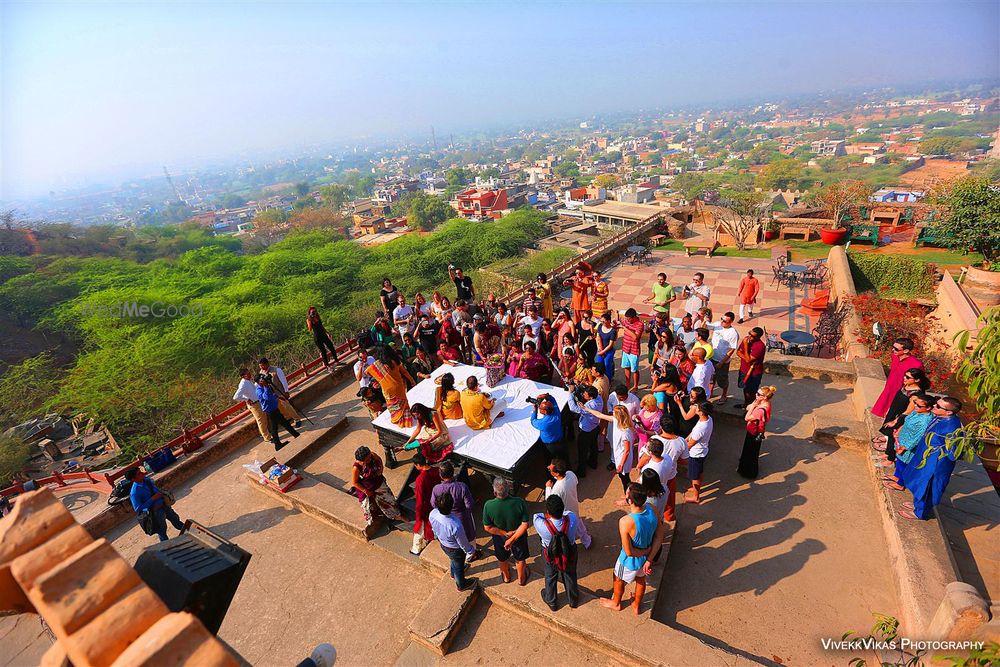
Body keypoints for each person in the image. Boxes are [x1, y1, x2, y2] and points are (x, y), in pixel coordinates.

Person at [602, 483, 664, 614]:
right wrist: (649, 558)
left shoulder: (625, 521)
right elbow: (660, 535)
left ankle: (616, 603)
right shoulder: (652, 508)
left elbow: (629, 552)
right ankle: (636, 605)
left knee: (618, 578)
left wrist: (644, 552)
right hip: (646, 558)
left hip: (629, 561)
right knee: (641, 580)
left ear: (630, 500)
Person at [899, 397, 963, 521]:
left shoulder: (952, 429)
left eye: (938, 407)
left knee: (927, 487)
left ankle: (920, 513)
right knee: (917, 482)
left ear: (949, 412)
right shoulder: (941, 417)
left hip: (934, 464)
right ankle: (917, 505)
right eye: (936, 404)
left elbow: (953, 453)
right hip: (924, 457)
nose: (934, 407)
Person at [875, 368, 931, 466]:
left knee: (894, 436)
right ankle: (887, 453)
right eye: (905, 375)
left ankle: (890, 459)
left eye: (908, 377)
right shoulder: (907, 386)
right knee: (889, 434)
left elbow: (909, 411)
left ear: (917, 380)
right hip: (894, 412)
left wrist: (896, 421)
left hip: (901, 417)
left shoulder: (916, 394)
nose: (905, 378)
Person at [533, 494, 579, 610]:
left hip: (550, 554)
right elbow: (568, 513)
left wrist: (547, 514)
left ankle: (551, 601)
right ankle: (573, 599)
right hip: (569, 551)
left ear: (548, 511)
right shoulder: (572, 518)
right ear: (562, 508)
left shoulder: (541, 524)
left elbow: (536, 515)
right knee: (570, 574)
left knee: (550, 576)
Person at [482, 478, 531, 585]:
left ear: (495, 492)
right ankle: (521, 579)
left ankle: (506, 577)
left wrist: (504, 534)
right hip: (518, 535)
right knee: (520, 558)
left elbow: (487, 527)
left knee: (502, 558)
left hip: (499, 537)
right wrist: (512, 538)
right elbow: (525, 524)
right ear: (508, 489)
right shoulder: (519, 502)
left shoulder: (488, 505)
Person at [881, 394, 934, 492]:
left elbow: (917, 438)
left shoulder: (925, 421)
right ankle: (897, 476)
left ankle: (900, 484)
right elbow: (906, 422)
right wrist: (899, 431)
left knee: (905, 463)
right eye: (915, 403)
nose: (915, 406)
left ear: (928, 408)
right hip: (903, 438)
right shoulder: (916, 412)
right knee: (900, 461)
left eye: (919, 405)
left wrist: (904, 448)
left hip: (909, 446)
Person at [429, 492, 480, 591]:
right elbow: (463, 543)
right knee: (459, 566)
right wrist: (471, 551)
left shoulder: (433, 514)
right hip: (455, 549)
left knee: (453, 560)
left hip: (443, 543)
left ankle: (453, 573)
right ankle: (461, 584)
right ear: (451, 506)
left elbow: (433, 529)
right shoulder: (455, 524)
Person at [582, 404, 637, 492]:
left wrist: (621, 465)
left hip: (623, 459)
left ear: (618, 416)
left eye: (614, 413)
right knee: (623, 478)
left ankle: (629, 496)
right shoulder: (616, 421)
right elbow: (600, 415)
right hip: (619, 456)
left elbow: (626, 451)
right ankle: (629, 495)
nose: (612, 413)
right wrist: (586, 408)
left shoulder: (625, 432)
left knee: (625, 479)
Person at [126, 467, 184, 542]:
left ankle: (194, 534)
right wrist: (153, 499)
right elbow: (137, 508)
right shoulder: (134, 492)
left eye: (140, 471)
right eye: (139, 473)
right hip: (156, 512)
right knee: (162, 532)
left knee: (177, 521)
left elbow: (155, 488)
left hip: (164, 505)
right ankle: (166, 548)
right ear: (133, 479)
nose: (142, 473)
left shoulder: (146, 480)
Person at [646, 417, 687, 521]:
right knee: (670, 497)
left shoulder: (655, 439)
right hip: (670, 474)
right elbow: (685, 461)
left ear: (661, 427)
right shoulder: (681, 441)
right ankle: (669, 515)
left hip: (654, 474)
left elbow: (645, 456)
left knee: (652, 498)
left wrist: (639, 467)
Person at [873, 338, 925, 420]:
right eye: (893, 347)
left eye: (896, 349)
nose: (893, 350)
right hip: (889, 390)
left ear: (906, 350)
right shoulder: (894, 356)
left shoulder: (916, 364)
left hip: (902, 394)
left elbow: (919, 381)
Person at [544, 458, 592, 549]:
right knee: (579, 524)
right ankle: (587, 541)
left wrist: (548, 488)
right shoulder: (571, 474)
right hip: (574, 505)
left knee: (566, 530)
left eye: (550, 469)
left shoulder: (557, 488)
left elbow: (550, 501)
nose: (549, 469)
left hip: (564, 511)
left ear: (557, 473)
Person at [351, 446, 401, 530]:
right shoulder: (356, 468)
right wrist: (366, 491)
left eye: (369, 458)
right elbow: (354, 482)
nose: (369, 460)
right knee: (370, 507)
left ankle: (395, 515)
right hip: (367, 488)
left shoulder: (372, 455)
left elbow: (379, 460)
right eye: (367, 459)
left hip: (378, 482)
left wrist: (380, 469)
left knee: (389, 499)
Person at [367, 346, 415, 428]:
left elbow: (367, 372)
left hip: (388, 390)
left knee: (393, 405)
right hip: (399, 386)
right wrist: (412, 380)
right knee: (403, 403)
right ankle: (407, 421)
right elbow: (404, 372)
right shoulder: (395, 361)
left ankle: (397, 420)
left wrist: (380, 378)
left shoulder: (378, 365)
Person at [737, 386, 776, 479]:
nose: (756, 395)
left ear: (764, 397)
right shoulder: (765, 403)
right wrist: (755, 404)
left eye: (758, 394)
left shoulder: (760, 410)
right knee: (750, 451)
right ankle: (745, 468)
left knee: (750, 453)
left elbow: (746, 417)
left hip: (753, 432)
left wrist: (754, 406)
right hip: (756, 431)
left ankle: (748, 472)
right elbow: (747, 407)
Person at [408, 452, 441, 554]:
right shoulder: (436, 470)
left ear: (418, 465)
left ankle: (416, 549)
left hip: (426, 506)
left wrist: (418, 514)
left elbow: (420, 499)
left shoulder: (420, 480)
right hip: (437, 502)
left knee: (419, 528)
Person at [256, 376, 299, 450]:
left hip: (274, 408)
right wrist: (266, 387)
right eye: (261, 380)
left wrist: (278, 397)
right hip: (270, 410)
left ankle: (278, 444)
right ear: (258, 382)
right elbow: (266, 398)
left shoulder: (267, 386)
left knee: (276, 426)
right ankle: (295, 435)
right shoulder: (259, 390)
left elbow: (272, 394)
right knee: (282, 424)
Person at [684, 401, 714, 503]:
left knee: (695, 476)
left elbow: (690, 444)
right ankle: (696, 488)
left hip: (696, 454)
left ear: (701, 412)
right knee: (699, 471)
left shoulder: (701, 428)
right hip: (703, 451)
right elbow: (692, 433)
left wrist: (681, 450)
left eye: (698, 407)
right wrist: (686, 439)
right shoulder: (708, 419)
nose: (695, 408)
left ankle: (696, 497)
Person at [569, 385, 602, 477]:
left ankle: (581, 471)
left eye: (585, 394)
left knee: (582, 451)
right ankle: (593, 462)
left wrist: (570, 394)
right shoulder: (599, 398)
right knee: (593, 445)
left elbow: (574, 409)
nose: (583, 395)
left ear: (591, 397)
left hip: (586, 431)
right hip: (595, 427)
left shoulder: (590, 406)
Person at [257, 358, 303, 426]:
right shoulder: (261, 373)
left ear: (267, 364)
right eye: (260, 366)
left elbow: (283, 381)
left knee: (287, 406)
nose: (261, 367)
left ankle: (297, 419)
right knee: (279, 408)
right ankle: (288, 418)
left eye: (262, 365)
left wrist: (286, 391)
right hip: (272, 394)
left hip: (280, 391)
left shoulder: (277, 370)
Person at [710, 312, 740, 403]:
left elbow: (731, 350)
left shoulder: (733, 333)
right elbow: (705, 326)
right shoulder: (717, 325)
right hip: (712, 357)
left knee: (722, 379)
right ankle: (709, 393)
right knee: (711, 378)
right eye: (721, 319)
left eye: (725, 321)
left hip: (722, 361)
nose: (722, 322)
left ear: (730, 322)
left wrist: (721, 362)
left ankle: (724, 395)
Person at [531, 393, 567, 464]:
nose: (539, 408)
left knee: (550, 462)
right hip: (561, 441)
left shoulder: (543, 423)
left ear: (545, 411)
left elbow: (533, 421)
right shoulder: (557, 413)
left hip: (550, 447)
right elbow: (553, 400)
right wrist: (546, 396)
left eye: (540, 408)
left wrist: (535, 410)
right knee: (565, 460)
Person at [234, 368, 269, 441]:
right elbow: (236, 397)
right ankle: (267, 437)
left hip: (257, 402)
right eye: (248, 374)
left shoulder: (248, 381)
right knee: (261, 421)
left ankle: (264, 434)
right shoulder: (243, 384)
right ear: (243, 376)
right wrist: (246, 399)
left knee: (263, 419)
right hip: (254, 404)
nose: (250, 374)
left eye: (249, 373)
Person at [640, 469, 668, 560]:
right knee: (658, 541)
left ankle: (650, 558)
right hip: (660, 519)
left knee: (650, 542)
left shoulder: (647, 500)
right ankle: (655, 558)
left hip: (650, 524)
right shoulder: (665, 488)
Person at [735, 327, 766, 408]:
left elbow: (749, 360)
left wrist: (745, 345)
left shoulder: (760, 346)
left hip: (754, 373)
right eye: (749, 334)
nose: (750, 337)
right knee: (745, 389)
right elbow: (738, 352)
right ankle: (746, 404)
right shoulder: (747, 340)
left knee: (752, 392)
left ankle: (751, 407)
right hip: (744, 369)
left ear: (758, 337)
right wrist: (746, 358)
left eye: (752, 336)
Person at [619, 308, 645, 393]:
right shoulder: (626, 321)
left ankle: (635, 386)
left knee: (634, 369)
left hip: (634, 350)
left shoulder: (640, 324)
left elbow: (635, 337)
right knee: (626, 367)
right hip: (625, 349)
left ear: (633, 317)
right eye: (626, 318)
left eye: (628, 319)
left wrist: (625, 328)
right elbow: (621, 323)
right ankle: (628, 383)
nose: (626, 320)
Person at [594, 311, 618, 382]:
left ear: (608, 321)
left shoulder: (613, 331)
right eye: (601, 321)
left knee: (607, 365)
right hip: (601, 349)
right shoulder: (600, 326)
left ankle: (608, 381)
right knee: (598, 364)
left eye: (603, 321)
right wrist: (599, 348)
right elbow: (598, 337)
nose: (602, 323)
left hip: (608, 351)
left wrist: (602, 352)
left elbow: (610, 345)